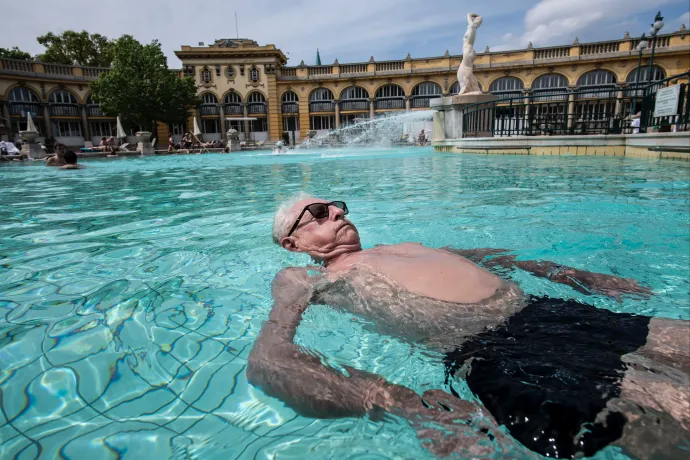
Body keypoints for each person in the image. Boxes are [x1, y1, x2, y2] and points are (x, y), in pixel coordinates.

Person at [247, 195, 689, 459]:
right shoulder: (305, 280)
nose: (338, 214)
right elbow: (269, 360)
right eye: (319, 212)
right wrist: (404, 404)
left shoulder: (401, 245)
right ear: (293, 243)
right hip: (502, 354)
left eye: (337, 206)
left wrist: (574, 275)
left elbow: (489, 256)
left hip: (548, 312)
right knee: (669, 416)